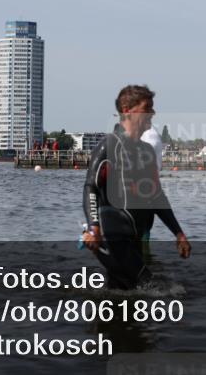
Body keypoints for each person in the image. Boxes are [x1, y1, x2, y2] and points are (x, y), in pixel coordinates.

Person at [82, 85, 191, 289]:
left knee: (124, 292)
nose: (153, 113)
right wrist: (94, 228)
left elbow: (157, 197)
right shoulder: (109, 146)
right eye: (147, 107)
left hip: (133, 237)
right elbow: (91, 188)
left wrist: (179, 234)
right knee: (155, 289)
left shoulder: (146, 151)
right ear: (127, 110)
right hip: (111, 237)